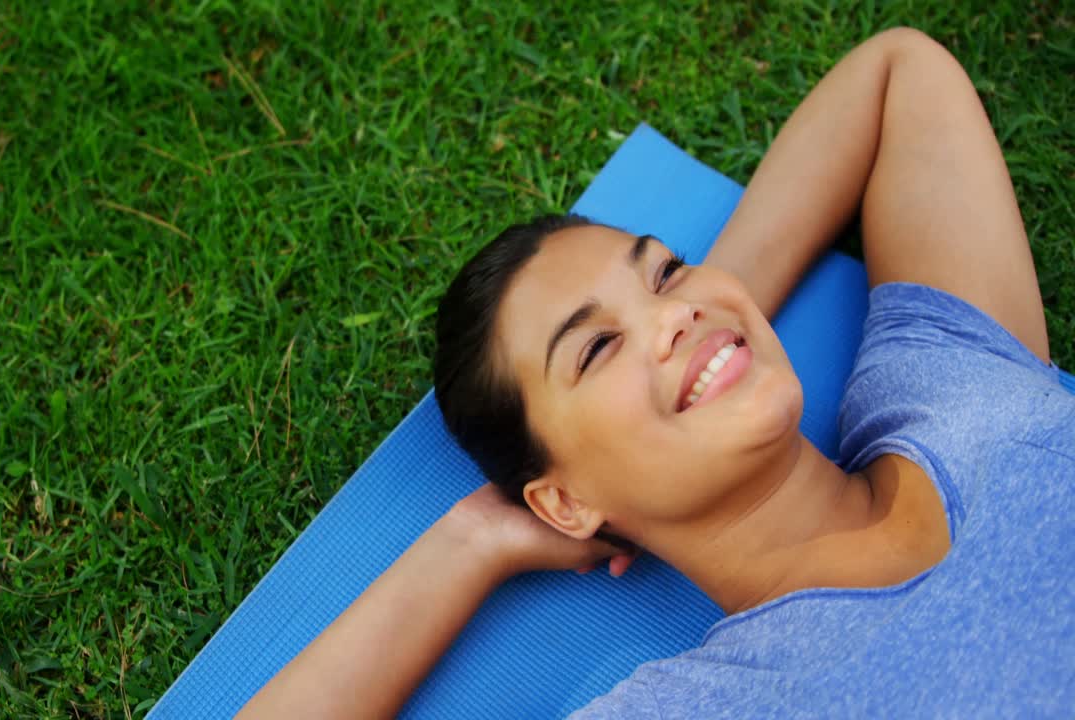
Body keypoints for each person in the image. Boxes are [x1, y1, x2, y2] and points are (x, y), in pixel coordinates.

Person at [237, 27, 1074, 718]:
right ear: (562, 502)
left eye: (666, 271)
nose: (674, 312)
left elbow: (897, 74)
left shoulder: (943, 379)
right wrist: (472, 540)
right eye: (596, 349)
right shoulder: (710, 702)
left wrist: (711, 326)